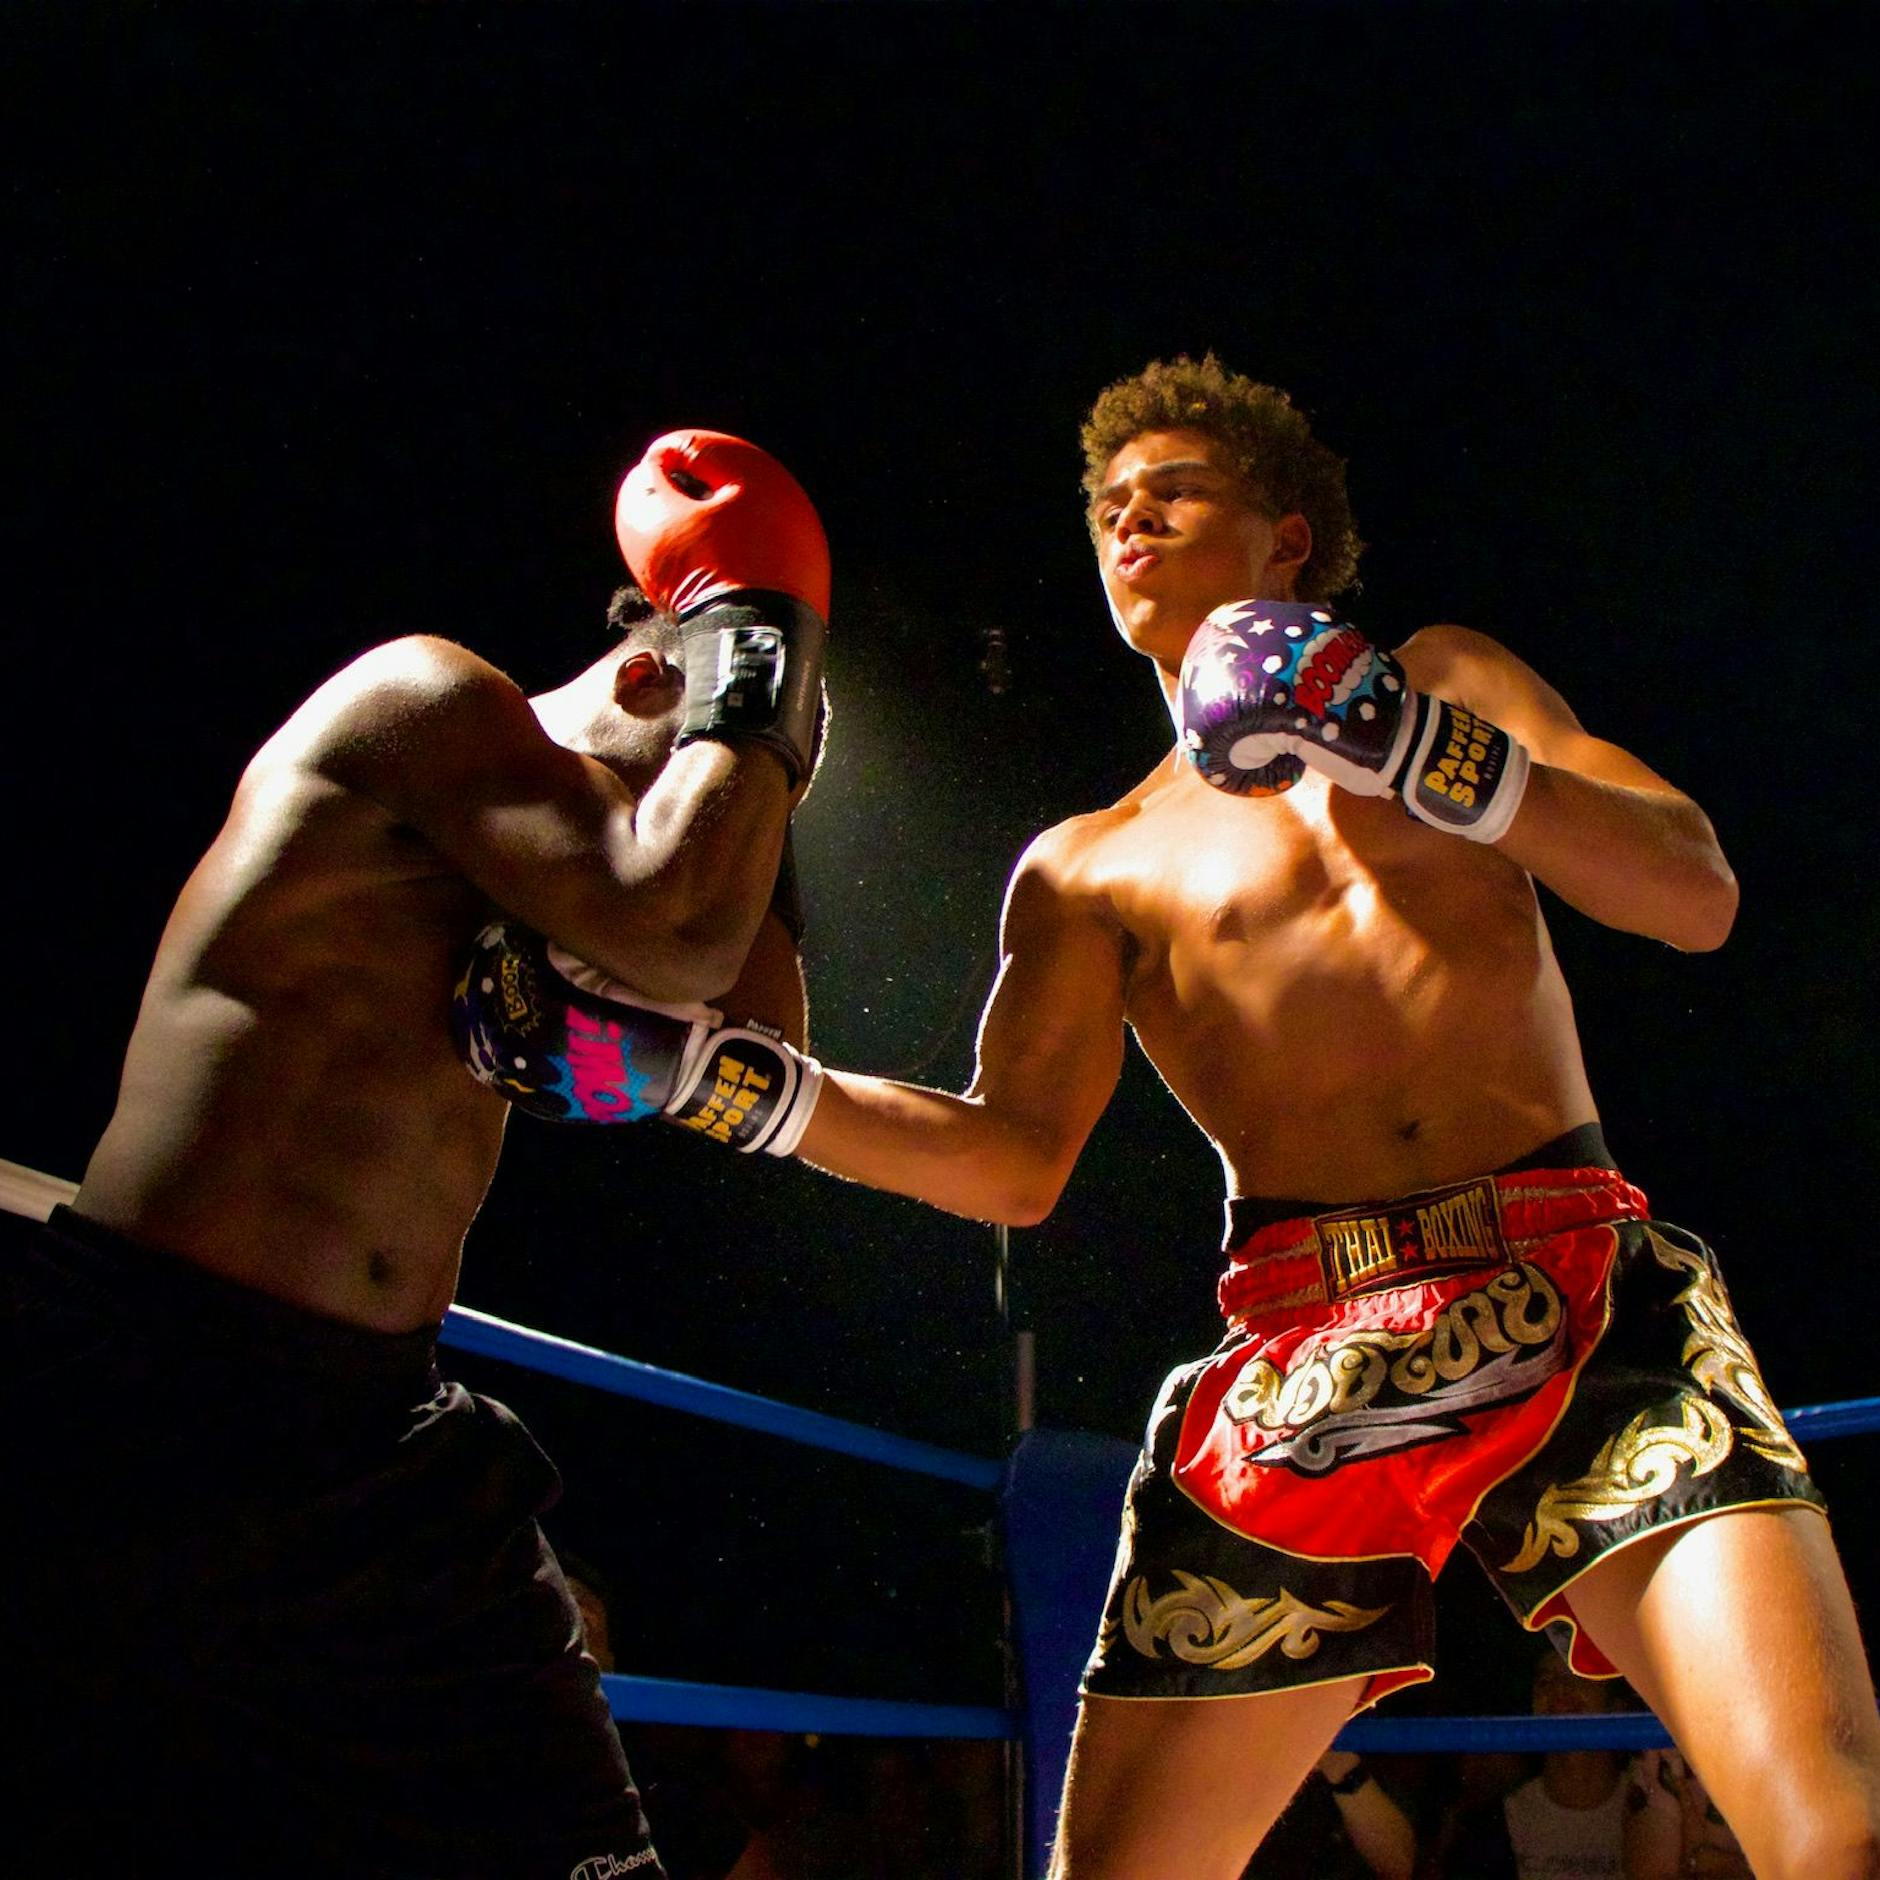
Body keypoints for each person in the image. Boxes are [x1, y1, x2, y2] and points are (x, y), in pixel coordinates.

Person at [705, 354, 1880, 1877]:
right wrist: (732, 1087)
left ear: (1287, 541)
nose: (1128, 521)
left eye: (1173, 491)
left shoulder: (1447, 683)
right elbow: (1010, 1159)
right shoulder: (1091, 863)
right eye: (1108, 507)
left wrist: (1408, 743)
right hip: (1300, 1354)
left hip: (1577, 1294)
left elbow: (1693, 891)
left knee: (1832, 1831)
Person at [0, 427, 830, 1877]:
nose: (738, 800)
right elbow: (682, 918)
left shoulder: (595, 880)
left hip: (381, 1441)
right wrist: (753, 645)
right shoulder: (425, 701)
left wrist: (756, 766)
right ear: (650, 677)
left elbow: (764, 1032)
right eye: (724, 767)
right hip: (147, 1387)